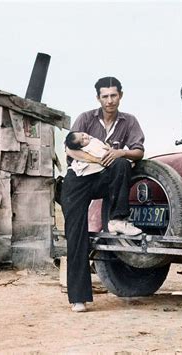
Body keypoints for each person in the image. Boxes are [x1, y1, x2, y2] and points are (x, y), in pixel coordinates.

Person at [61, 76, 144, 312]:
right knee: (76, 234)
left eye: (113, 95)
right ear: (98, 98)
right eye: (105, 96)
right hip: (77, 181)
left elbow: (138, 151)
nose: (110, 100)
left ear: (121, 96)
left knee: (121, 164)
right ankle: (78, 297)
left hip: (103, 179)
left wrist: (120, 154)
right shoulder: (85, 118)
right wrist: (97, 159)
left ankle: (118, 219)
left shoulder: (129, 121)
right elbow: (70, 149)